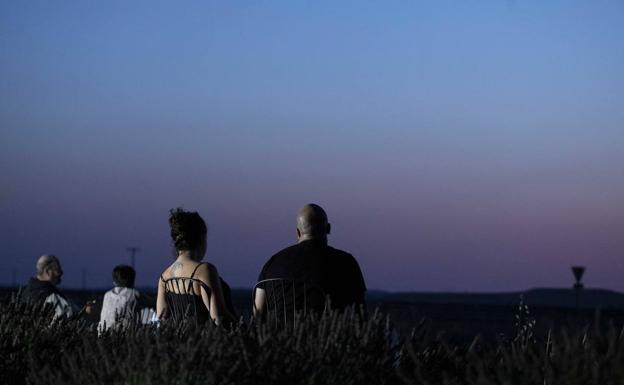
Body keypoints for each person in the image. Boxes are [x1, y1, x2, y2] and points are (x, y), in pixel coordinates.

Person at [255, 204, 366, 315]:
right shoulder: (346, 263)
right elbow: (360, 312)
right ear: (328, 228)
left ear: (298, 232)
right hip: (326, 331)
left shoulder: (272, 263)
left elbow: (257, 314)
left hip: (278, 332)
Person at [157, 208, 236, 325]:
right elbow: (218, 318)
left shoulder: (164, 277)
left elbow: (162, 318)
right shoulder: (204, 270)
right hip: (206, 340)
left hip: (178, 339)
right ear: (201, 239)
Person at [20, 254, 92, 318]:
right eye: (58, 270)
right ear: (48, 272)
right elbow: (68, 316)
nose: (61, 273)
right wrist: (85, 312)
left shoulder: (24, 292)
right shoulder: (51, 295)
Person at [98, 265, 141, 331]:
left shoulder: (107, 295)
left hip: (102, 334)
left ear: (114, 281)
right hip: (123, 336)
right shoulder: (134, 294)